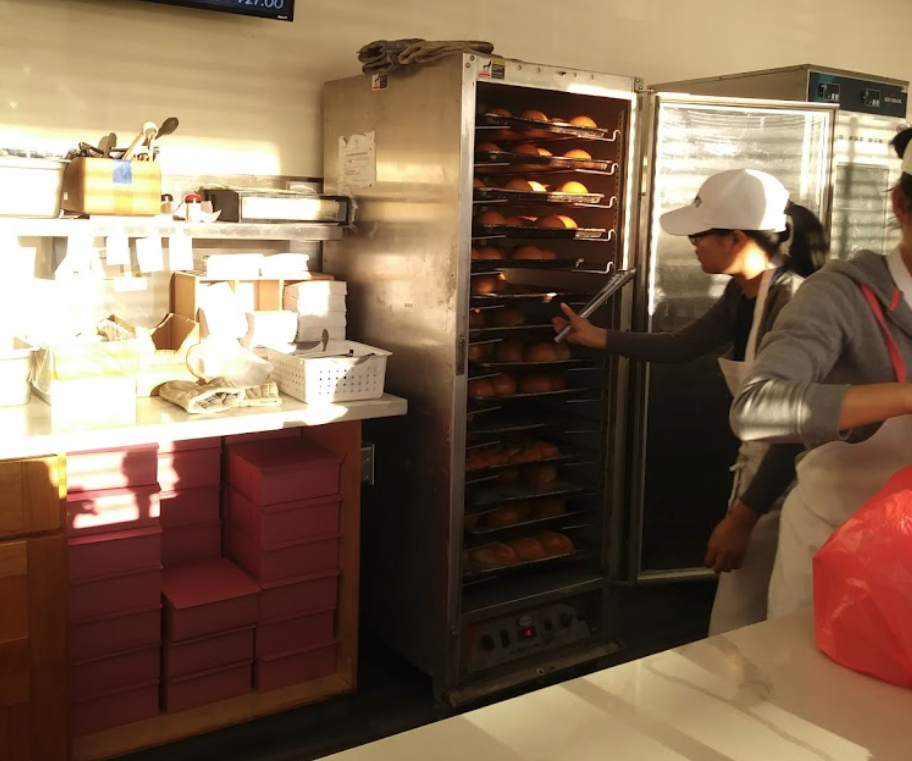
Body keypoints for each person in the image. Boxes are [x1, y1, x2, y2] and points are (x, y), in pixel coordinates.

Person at [553, 168, 829, 635]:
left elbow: (795, 427)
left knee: (764, 617)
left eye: (699, 236)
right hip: (761, 467)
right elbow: (682, 346)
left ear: (736, 237)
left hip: (791, 477)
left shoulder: (792, 303)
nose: (693, 246)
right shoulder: (743, 291)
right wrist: (597, 336)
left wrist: (743, 518)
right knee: (746, 612)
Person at [731, 128, 912, 619]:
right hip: (834, 553)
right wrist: (904, 396)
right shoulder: (839, 295)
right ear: (900, 205)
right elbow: (756, 407)